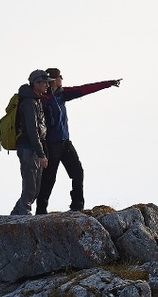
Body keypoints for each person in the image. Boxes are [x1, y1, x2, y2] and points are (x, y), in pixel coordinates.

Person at [34, 67, 122, 213]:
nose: (62, 78)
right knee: (49, 178)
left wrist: (109, 83)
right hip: (51, 144)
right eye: (61, 76)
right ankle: (41, 210)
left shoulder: (63, 94)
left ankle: (77, 206)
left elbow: (86, 89)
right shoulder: (43, 99)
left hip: (65, 142)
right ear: (55, 80)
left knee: (78, 172)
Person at [10, 70, 52, 215]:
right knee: (30, 187)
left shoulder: (36, 99)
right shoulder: (29, 102)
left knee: (35, 189)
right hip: (28, 148)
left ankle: (16, 214)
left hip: (33, 148)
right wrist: (41, 154)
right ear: (36, 83)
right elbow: (32, 130)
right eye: (45, 82)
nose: (47, 85)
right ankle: (24, 215)